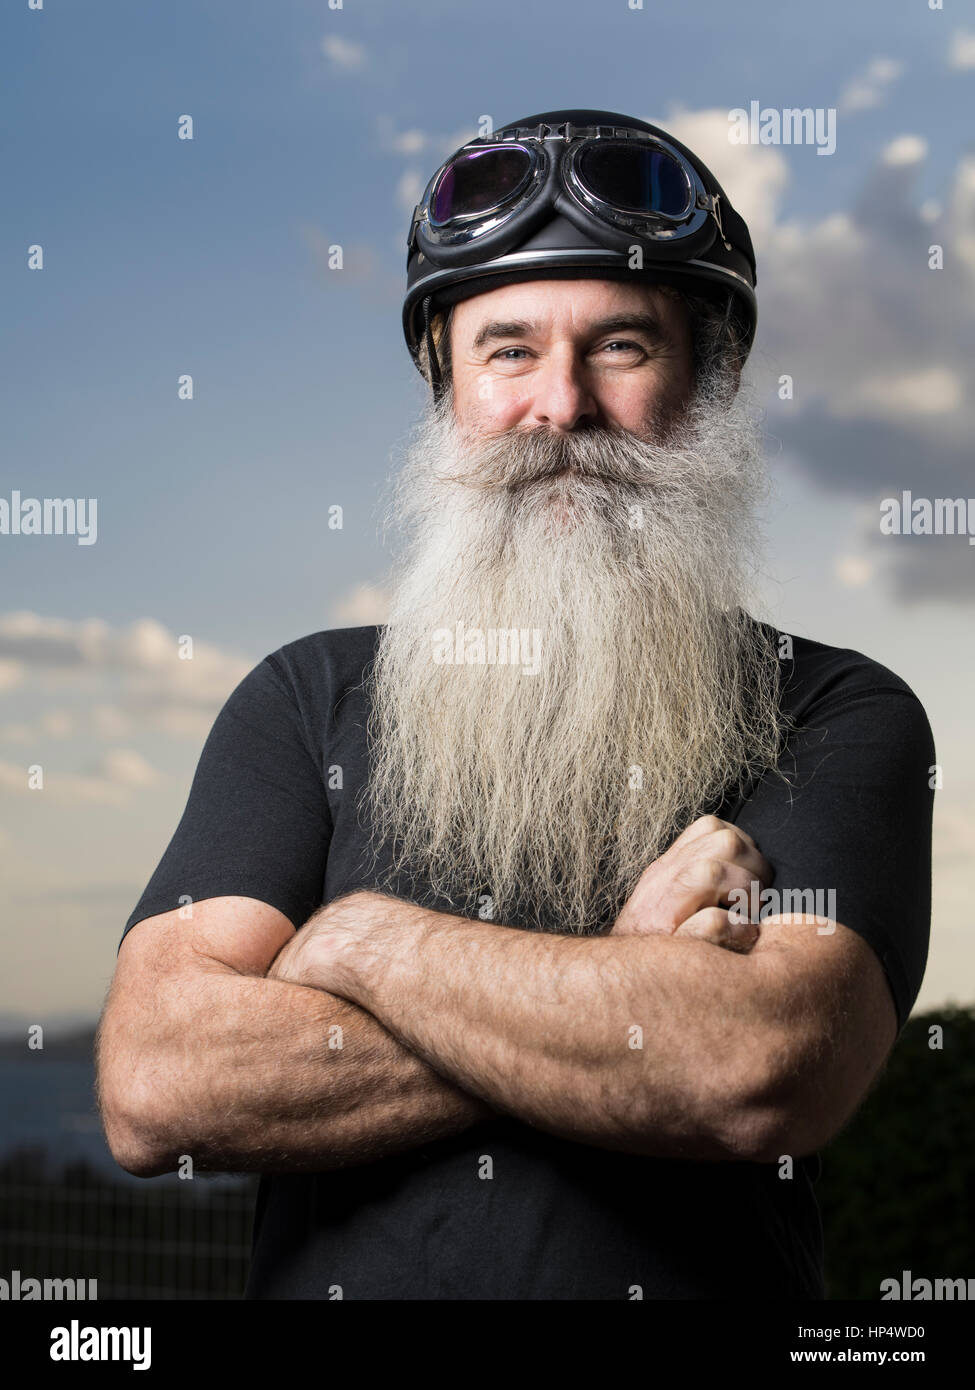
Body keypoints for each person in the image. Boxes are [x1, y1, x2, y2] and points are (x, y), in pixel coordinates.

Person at [96, 109, 935, 1300]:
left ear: (710, 379)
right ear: (447, 388)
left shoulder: (839, 710)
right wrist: (627, 982)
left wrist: (360, 944)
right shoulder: (305, 697)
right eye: (506, 351)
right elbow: (157, 1083)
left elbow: (759, 1066)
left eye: (623, 346)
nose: (561, 405)